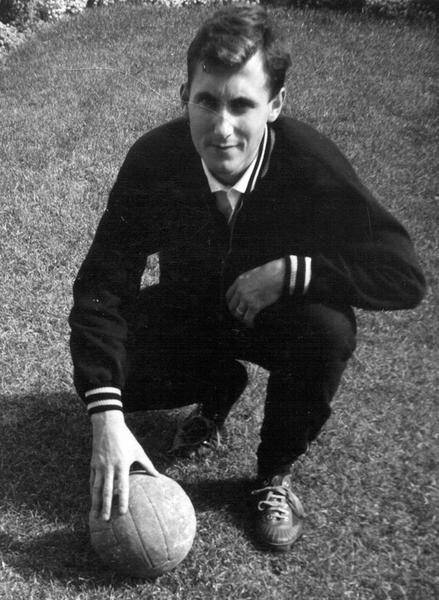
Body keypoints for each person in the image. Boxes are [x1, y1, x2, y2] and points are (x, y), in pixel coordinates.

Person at [69, 5, 425, 552]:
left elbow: (403, 275)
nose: (222, 128)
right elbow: (102, 286)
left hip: (275, 321)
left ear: (275, 104)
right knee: (105, 372)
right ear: (184, 94)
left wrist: (291, 272)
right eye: (206, 101)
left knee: (328, 331)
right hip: (192, 310)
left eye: (242, 105)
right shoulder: (155, 162)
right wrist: (107, 419)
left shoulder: (310, 164)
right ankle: (219, 385)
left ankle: (273, 473)